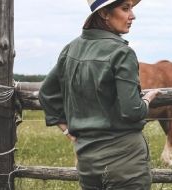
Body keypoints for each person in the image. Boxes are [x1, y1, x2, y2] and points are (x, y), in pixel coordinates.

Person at [39, 0, 159, 189]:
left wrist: (68, 131)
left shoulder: (71, 49)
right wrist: (146, 99)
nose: (132, 16)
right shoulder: (122, 52)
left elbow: (46, 93)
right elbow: (132, 110)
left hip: (87, 161)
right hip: (125, 162)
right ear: (104, 14)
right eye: (125, 8)